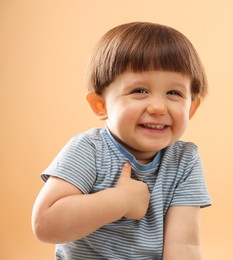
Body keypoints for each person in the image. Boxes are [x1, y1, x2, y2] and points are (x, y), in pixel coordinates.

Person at [32, 22, 211, 260]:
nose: (158, 107)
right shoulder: (89, 150)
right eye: (139, 90)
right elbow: (46, 224)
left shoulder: (184, 161)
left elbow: (184, 246)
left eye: (174, 93)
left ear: (192, 107)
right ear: (101, 105)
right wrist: (120, 200)